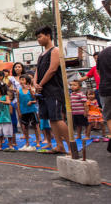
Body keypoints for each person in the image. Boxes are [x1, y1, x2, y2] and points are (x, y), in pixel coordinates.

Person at [34, 26, 70, 154]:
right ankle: (59, 145)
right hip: (42, 91)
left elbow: (53, 69)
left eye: (40, 37)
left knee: (57, 118)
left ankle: (71, 147)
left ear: (48, 35)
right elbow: (37, 71)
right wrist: (35, 83)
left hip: (54, 90)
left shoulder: (55, 50)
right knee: (51, 119)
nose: (38, 40)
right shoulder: (41, 55)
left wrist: (41, 84)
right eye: (37, 37)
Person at [17, 74, 41, 151]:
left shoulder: (32, 89)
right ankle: (27, 142)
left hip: (32, 110)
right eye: (20, 80)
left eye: (23, 79)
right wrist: (19, 112)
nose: (21, 81)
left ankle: (37, 141)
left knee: (35, 126)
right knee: (25, 127)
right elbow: (18, 102)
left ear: (27, 81)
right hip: (23, 111)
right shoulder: (18, 90)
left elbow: (35, 99)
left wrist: (30, 90)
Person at [96, 46, 111, 152]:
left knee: (109, 117)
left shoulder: (102, 53)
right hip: (105, 88)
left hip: (105, 88)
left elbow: (98, 71)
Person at [0, 82, 15, 151]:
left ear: (0, 89)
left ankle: (10, 145)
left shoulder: (6, 96)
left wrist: (1, 101)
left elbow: (8, 102)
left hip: (6, 117)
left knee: (8, 132)